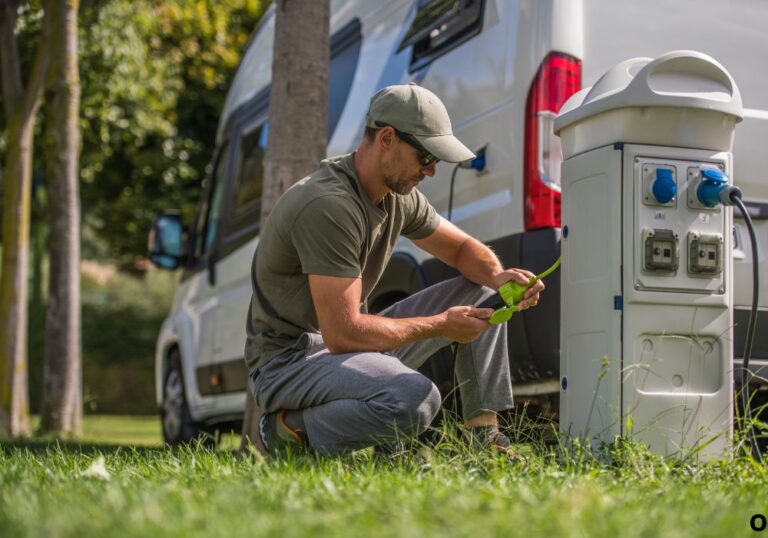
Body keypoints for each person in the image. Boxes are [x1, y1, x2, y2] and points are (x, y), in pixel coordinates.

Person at [244, 83, 545, 458]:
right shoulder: (329, 206)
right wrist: (441, 325)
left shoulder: (397, 197)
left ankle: (484, 446)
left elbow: (463, 248)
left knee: (484, 292)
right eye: (426, 156)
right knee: (416, 398)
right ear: (387, 138)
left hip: (338, 350)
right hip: (288, 363)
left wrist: (499, 277)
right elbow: (342, 333)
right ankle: (288, 431)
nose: (431, 171)